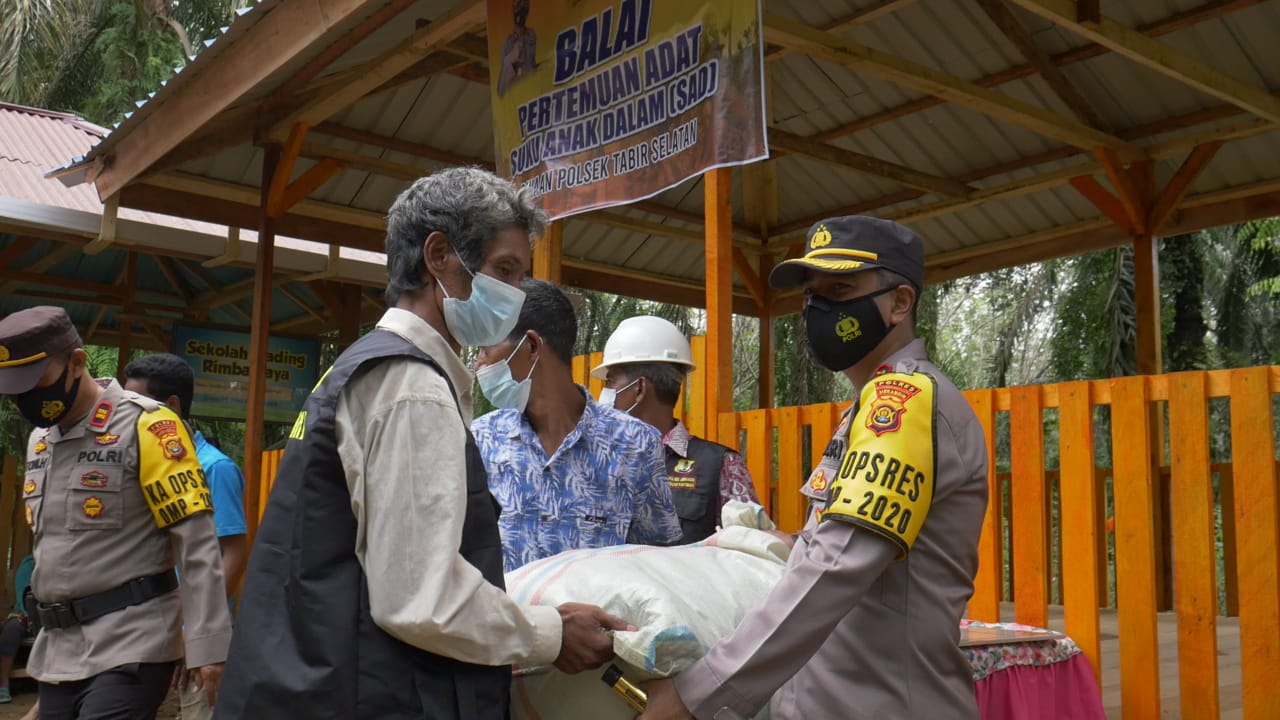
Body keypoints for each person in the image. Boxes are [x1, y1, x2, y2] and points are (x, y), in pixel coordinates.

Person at [215, 168, 629, 720]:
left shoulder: (363, 365)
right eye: (504, 270)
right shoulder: (414, 391)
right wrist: (551, 634)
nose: (515, 295)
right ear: (439, 256)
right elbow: (419, 599)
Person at [638, 216, 990, 720]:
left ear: (899, 303)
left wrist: (696, 695)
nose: (820, 310)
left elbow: (838, 564)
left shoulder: (904, 402)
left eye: (841, 290)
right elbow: (837, 546)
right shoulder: (870, 406)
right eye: (812, 295)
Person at [0, 305, 232, 720]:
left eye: (35, 382)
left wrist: (208, 645)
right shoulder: (40, 441)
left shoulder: (148, 425)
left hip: (133, 639)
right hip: (58, 648)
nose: (23, 400)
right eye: (14, 389)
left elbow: (196, 543)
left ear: (77, 363)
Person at [472, 279, 682, 572]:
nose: (478, 363)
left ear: (531, 345)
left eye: (485, 348)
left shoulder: (635, 445)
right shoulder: (481, 440)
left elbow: (657, 560)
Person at [122, 353, 247, 720]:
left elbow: (233, 551)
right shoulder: (141, 463)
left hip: (192, 636)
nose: (128, 414)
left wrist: (197, 633)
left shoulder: (214, 468)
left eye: (139, 403)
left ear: (172, 406)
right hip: (145, 630)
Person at [591, 316, 759, 544]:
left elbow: (753, 551)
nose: (604, 393)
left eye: (610, 382)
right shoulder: (596, 461)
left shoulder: (722, 466)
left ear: (639, 389)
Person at [0, 555, 34, 704]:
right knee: (12, 629)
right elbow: (24, 596)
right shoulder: (29, 564)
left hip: (58, 615)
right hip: (27, 614)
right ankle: (2, 684)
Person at [497, 0, 537, 97]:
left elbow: (530, 66)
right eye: (519, 6)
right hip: (518, 95)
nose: (523, 11)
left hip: (532, 91)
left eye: (525, 7)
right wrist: (512, 60)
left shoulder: (530, 35)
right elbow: (501, 91)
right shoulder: (508, 43)